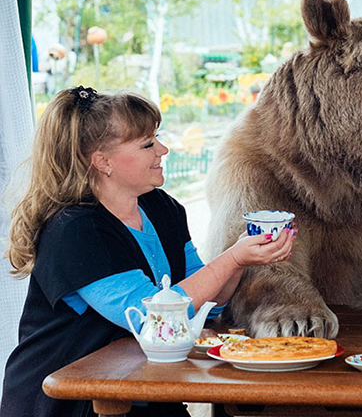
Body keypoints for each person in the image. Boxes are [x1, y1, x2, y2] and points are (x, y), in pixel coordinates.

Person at [0, 86, 296, 417]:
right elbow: (155, 319)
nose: (163, 149)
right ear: (103, 161)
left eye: (158, 138)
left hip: (138, 387)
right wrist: (233, 258)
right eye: (147, 144)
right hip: (70, 402)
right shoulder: (76, 231)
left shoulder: (160, 206)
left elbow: (205, 306)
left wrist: (242, 260)